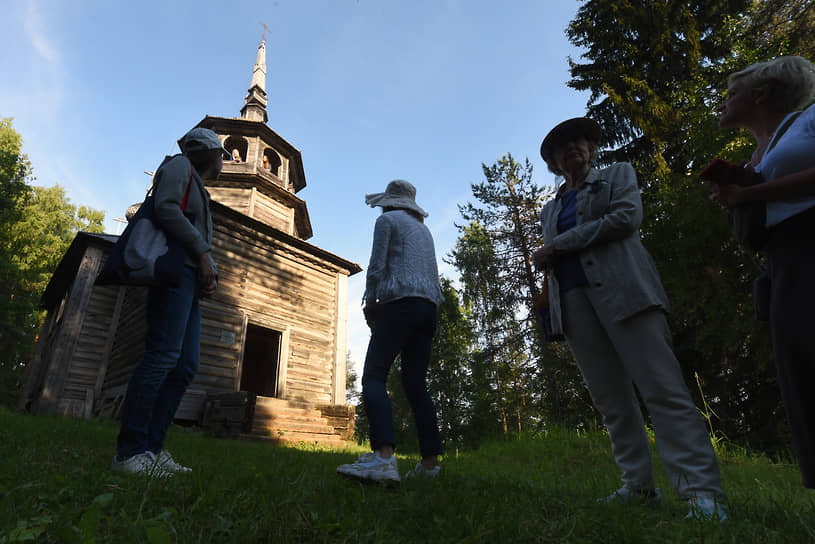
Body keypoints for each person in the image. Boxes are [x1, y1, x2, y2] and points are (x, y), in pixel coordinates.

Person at [532, 117, 728, 519]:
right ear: (552, 162)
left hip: (627, 294)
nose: (573, 148)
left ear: (591, 147)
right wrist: (547, 309)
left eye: (580, 141)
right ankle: (638, 487)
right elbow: (552, 264)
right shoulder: (549, 210)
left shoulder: (616, 176)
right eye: (561, 146)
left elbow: (626, 218)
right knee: (612, 402)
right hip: (573, 305)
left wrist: (560, 244)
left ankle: (700, 494)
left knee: (662, 390)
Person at [710, 55, 815, 489]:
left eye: (731, 93)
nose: (723, 103)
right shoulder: (761, 151)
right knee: (804, 380)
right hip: (783, 259)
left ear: (763, 93)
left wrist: (752, 195)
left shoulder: (810, 118)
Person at [112, 127, 228, 476]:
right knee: (162, 355)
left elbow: (194, 233)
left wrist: (208, 268)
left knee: (186, 364)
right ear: (207, 151)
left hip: (189, 277)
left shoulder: (199, 185)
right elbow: (165, 209)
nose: (224, 160)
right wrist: (204, 255)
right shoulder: (180, 166)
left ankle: (152, 449)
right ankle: (129, 452)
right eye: (221, 153)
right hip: (174, 273)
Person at [336, 180, 444, 483]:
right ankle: (430, 465)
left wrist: (370, 301)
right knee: (415, 384)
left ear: (389, 201)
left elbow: (377, 265)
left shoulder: (386, 220)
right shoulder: (425, 231)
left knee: (373, 376)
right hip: (429, 308)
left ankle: (383, 458)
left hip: (399, 304)